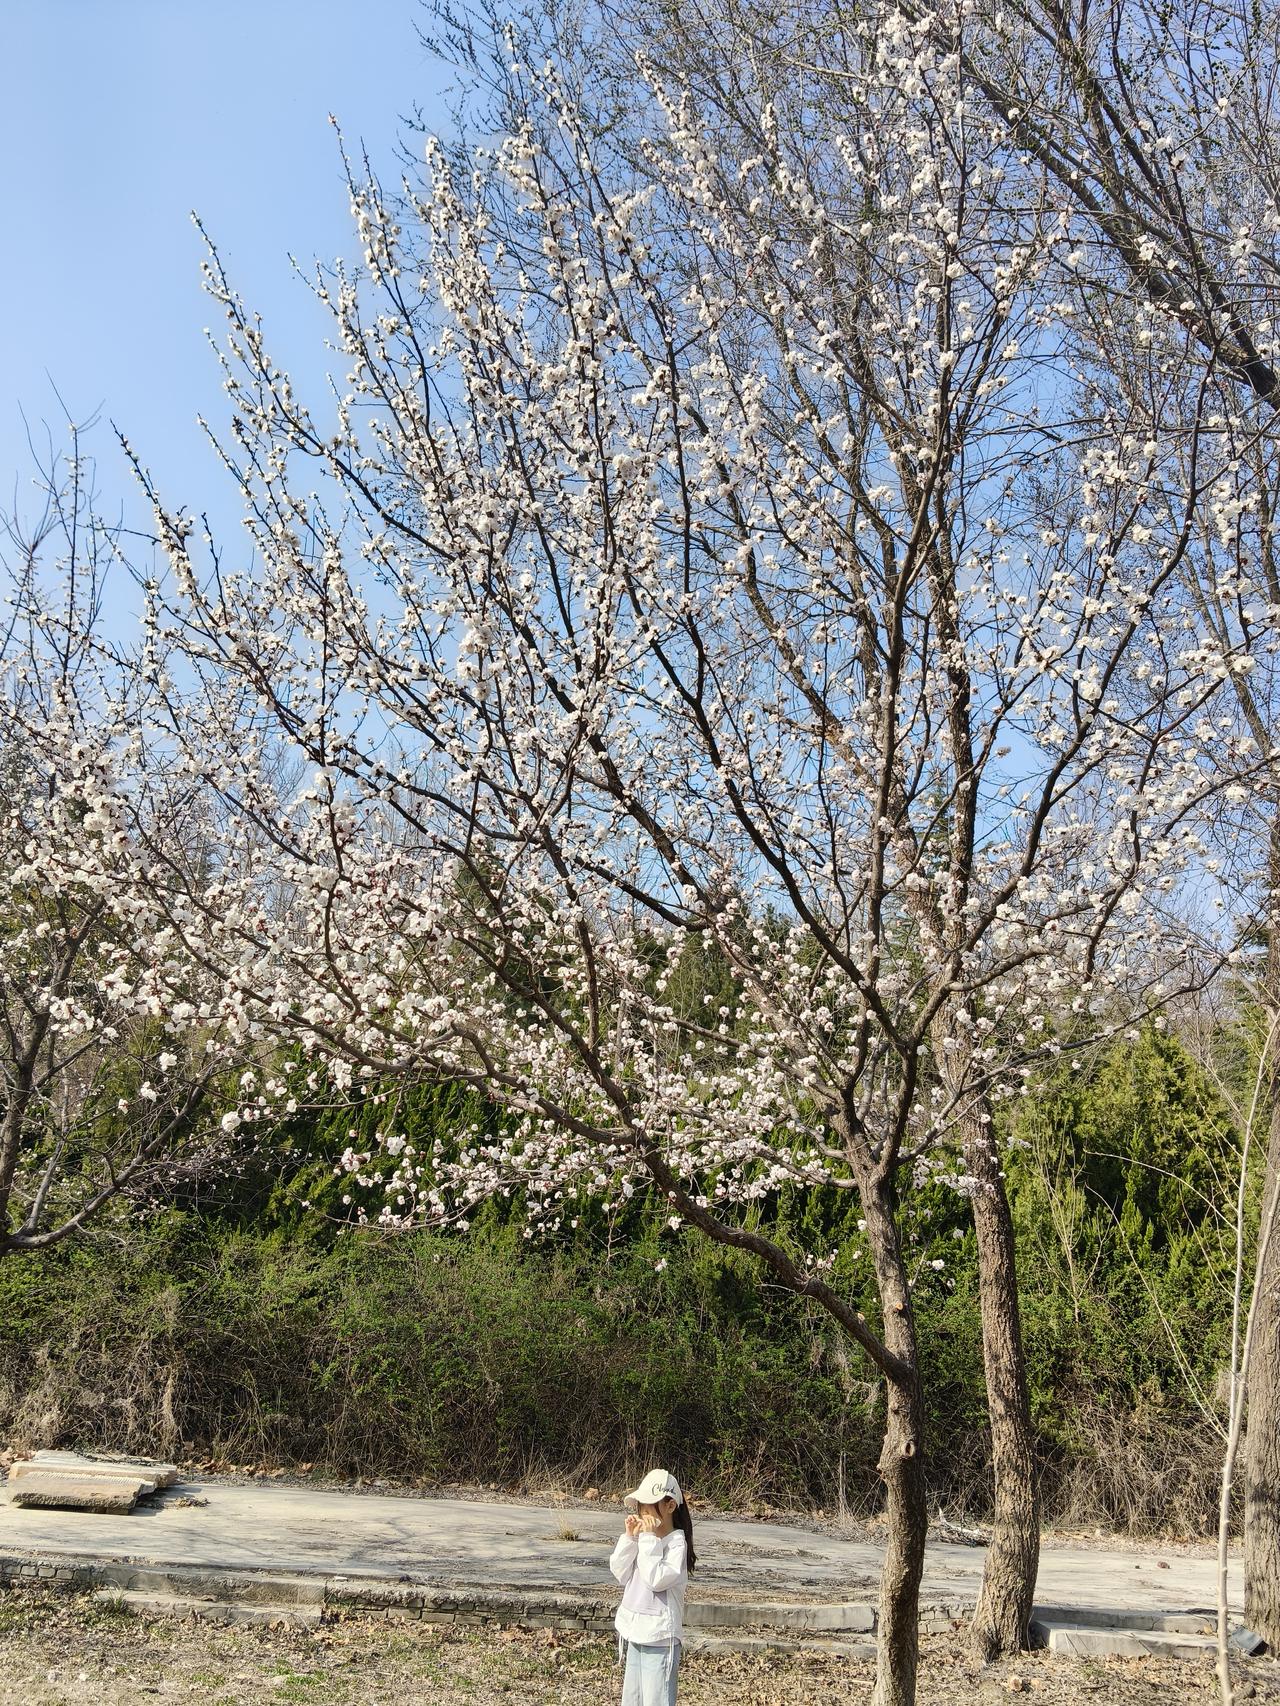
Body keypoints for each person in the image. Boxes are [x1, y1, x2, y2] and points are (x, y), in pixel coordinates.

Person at [608, 1468, 697, 1706]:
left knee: (656, 1700)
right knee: (633, 1699)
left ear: (670, 1506)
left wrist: (647, 1539)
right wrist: (629, 1538)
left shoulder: (676, 1543)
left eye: (649, 1504)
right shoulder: (644, 1538)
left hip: (659, 1636)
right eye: (640, 1505)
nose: (643, 1512)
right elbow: (620, 1572)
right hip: (635, 1631)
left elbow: (656, 1579)